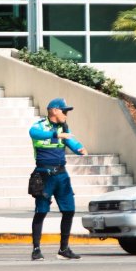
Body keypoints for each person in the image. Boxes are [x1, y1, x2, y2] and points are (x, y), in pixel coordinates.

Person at [28, 97, 88, 261]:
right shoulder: (39, 126)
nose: (66, 115)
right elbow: (34, 133)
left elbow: (71, 141)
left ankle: (64, 248)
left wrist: (79, 149)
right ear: (54, 110)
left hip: (61, 175)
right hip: (44, 175)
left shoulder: (64, 128)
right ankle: (36, 249)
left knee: (69, 210)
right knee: (41, 211)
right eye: (64, 111)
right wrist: (56, 134)